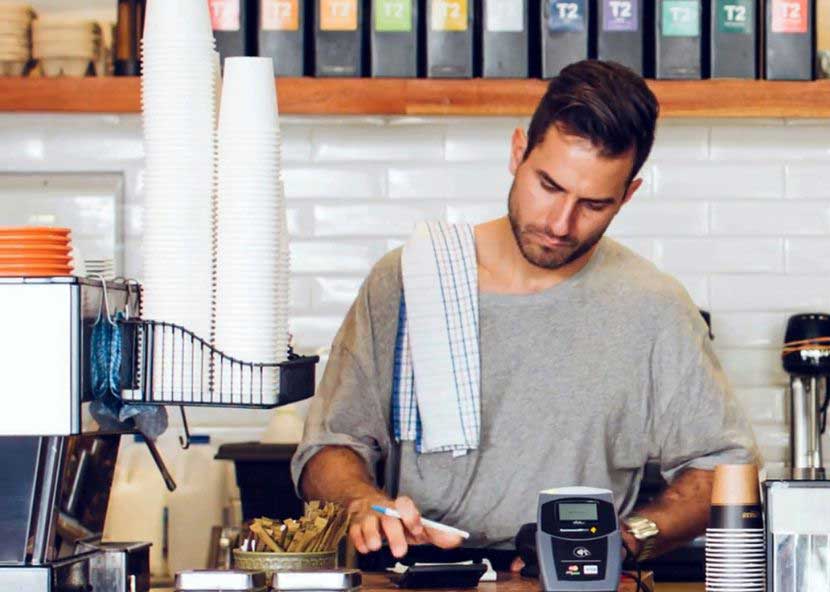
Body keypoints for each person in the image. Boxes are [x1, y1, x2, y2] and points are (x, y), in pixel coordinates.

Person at [291, 59, 759, 570]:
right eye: (549, 186)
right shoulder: (408, 280)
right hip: (419, 574)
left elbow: (724, 470)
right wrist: (361, 502)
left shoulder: (655, 306)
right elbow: (328, 448)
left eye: (594, 204)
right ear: (518, 152)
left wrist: (623, 539)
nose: (560, 224)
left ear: (627, 196)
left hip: (579, 580)